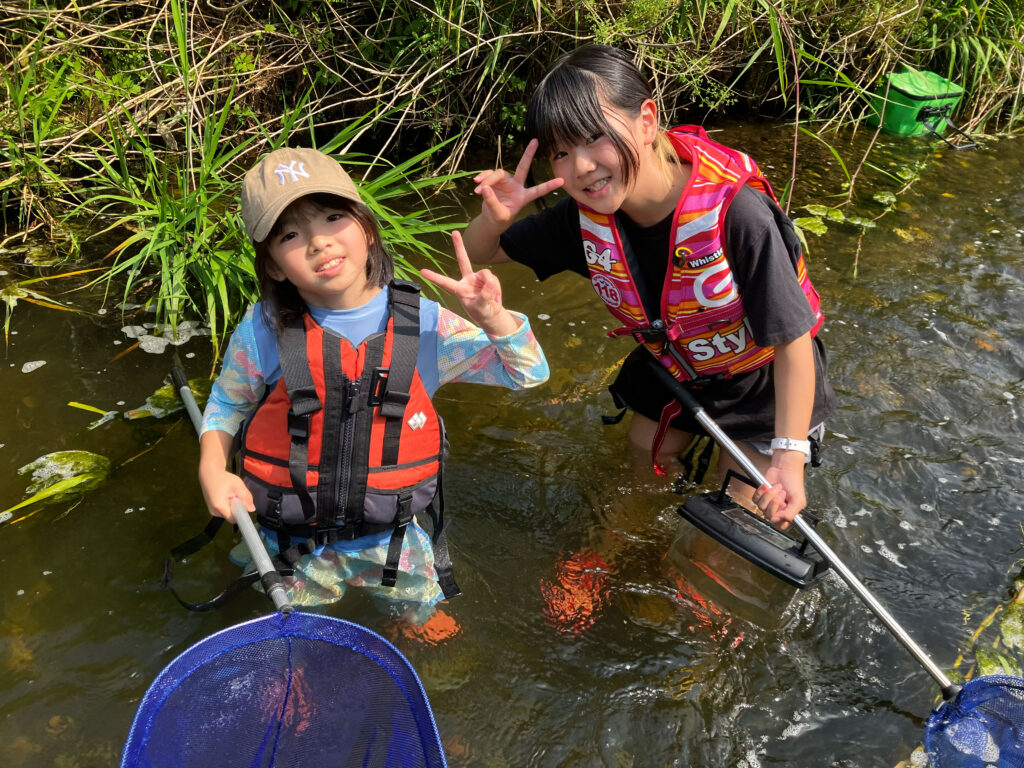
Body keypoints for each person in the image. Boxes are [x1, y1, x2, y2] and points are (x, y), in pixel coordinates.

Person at [463, 44, 835, 528]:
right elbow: (479, 254)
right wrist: (495, 219)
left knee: (727, 528)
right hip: (677, 373)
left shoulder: (737, 214)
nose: (580, 167)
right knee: (640, 474)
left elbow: (792, 340)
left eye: (594, 137)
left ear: (645, 120)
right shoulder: (584, 218)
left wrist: (789, 459)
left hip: (763, 387)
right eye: (560, 152)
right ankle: (608, 560)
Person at [198, 147, 549, 627]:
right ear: (275, 265)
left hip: (394, 540)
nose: (319, 242)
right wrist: (212, 468)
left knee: (436, 636)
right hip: (292, 541)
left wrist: (494, 318)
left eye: (333, 217)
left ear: (365, 227)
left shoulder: (425, 326)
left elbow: (527, 373)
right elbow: (226, 404)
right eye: (292, 234)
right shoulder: (264, 329)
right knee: (297, 644)